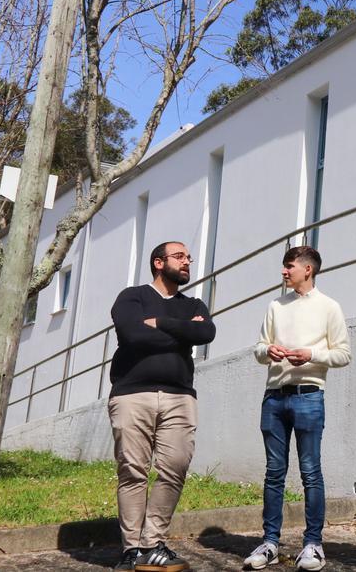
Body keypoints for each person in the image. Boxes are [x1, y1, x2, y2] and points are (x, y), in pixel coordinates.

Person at [108, 241, 215, 572]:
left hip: (180, 395)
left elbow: (206, 332)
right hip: (132, 394)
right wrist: (184, 331)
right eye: (179, 257)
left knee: (176, 467)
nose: (187, 263)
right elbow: (132, 335)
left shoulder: (194, 302)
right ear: (158, 262)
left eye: (188, 258)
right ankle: (132, 550)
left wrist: (160, 323)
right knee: (133, 471)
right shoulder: (132, 297)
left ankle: (152, 542)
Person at [242, 246, 352, 571]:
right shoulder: (275, 305)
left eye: (289, 266)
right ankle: (270, 543)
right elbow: (259, 348)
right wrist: (268, 351)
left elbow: (344, 354)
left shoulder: (329, 307)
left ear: (308, 269)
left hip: (309, 395)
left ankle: (313, 545)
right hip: (274, 396)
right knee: (274, 473)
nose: (283, 272)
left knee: (310, 471)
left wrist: (311, 355)